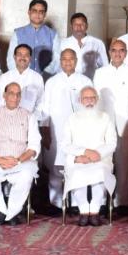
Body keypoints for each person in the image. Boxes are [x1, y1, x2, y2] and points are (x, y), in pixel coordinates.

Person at [0, 82, 41, 225]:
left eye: (18, 94)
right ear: (4, 95)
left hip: (20, 162)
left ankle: (12, 212)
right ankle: (2, 210)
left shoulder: (29, 116)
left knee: (26, 176)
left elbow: (34, 145)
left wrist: (18, 160)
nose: (15, 97)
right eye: (11, 93)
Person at [40, 48, 93, 204]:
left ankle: (76, 203)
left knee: (77, 167)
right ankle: (56, 203)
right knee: (56, 168)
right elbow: (45, 109)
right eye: (64, 59)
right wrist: (45, 130)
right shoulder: (51, 82)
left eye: (71, 59)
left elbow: (92, 107)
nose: (68, 62)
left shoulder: (85, 81)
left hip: (79, 131)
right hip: (56, 130)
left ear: (76, 61)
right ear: (60, 61)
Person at [94, 39, 128, 208]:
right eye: (114, 50)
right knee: (104, 162)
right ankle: (101, 202)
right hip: (104, 124)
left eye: (121, 50)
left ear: (125, 53)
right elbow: (96, 102)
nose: (117, 53)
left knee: (123, 165)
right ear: (109, 52)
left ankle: (121, 202)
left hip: (125, 123)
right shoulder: (100, 73)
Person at [59, 86, 117, 226]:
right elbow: (65, 144)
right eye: (86, 98)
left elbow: (112, 143)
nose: (89, 101)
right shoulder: (71, 118)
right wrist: (83, 153)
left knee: (100, 172)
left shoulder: (105, 117)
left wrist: (96, 154)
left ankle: (95, 211)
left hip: (100, 158)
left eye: (92, 98)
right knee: (78, 173)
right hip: (79, 159)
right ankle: (84, 211)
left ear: (97, 99)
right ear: (80, 100)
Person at [8, 0, 59, 74]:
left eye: (41, 12)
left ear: (44, 14)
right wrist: (19, 75)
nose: (38, 14)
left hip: (45, 78)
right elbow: (11, 59)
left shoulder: (53, 35)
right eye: (34, 11)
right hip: (21, 77)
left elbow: (56, 59)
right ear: (29, 12)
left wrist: (45, 75)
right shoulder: (17, 33)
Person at [0, 44, 44, 113]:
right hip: (6, 118)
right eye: (20, 54)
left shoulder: (37, 78)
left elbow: (41, 102)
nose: (23, 57)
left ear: (30, 58)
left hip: (29, 119)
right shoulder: (4, 77)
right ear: (14, 57)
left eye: (26, 55)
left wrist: (33, 118)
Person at [59, 12, 106, 79]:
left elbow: (104, 65)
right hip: (70, 80)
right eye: (76, 25)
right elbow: (59, 67)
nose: (79, 27)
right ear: (71, 26)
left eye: (82, 24)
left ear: (87, 26)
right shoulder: (63, 43)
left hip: (91, 81)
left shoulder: (97, 43)